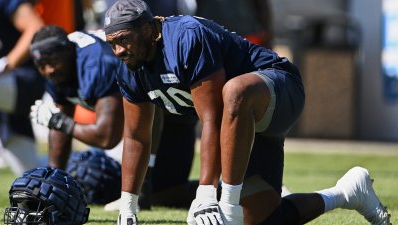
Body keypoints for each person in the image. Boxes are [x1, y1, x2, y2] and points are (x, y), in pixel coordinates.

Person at [103, 0, 391, 225]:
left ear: (151, 30)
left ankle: (228, 202)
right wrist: (129, 205)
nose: (118, 50)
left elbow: (212, 119)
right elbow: (136, 137)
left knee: (234, 92)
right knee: (263, 220)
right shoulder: (130, 67)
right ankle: (347, 193)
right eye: (112, 43)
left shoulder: (185, 37)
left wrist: (207, 196)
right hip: (241, 127)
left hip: (276, 88)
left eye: (123, 39)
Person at [29, 25, 198, 209]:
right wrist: (53, 183)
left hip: (175, 109)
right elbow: (61, 124)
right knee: (161, 194)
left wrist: (59, 122)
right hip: (142, 121)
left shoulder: (97, 64)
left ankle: (216, 191)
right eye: (41, 65)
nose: (49, 70)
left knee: (160, 192)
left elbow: (106, 136)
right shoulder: (59, 66)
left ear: (68, 50)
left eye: (52, 61)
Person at [0, 0, 45, 175]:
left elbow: (36, 27)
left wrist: (5, 64)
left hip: (23, 79)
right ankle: (82, 165)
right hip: (4, 102)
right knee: (31, 175)